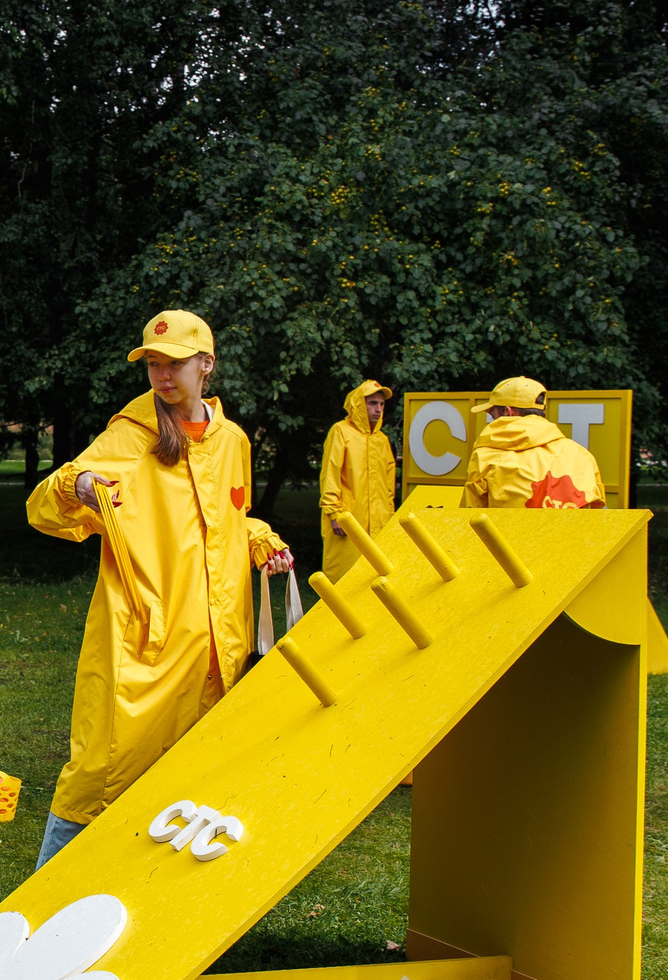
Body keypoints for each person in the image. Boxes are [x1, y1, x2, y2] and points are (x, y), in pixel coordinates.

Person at [25, 309, 295, 868]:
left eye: (174, 364)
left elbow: (228, 520)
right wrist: (75, 484)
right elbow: (42, 510)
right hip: (146, 643)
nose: (163, 375)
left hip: (218, 646)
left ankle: (159, 904)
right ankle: (39, 904)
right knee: (100, 774)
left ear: (206, 365)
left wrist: (263, 541)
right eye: (153, 364)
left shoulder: (232, 441)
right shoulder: (129, 437)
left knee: (198, 782)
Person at [459, 376, 607, 509]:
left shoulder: (486, 455)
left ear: (508, 412)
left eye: (493, 416)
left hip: (505, 538)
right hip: (570, 538)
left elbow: (472, 512)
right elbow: (596, 507)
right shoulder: (581, 454)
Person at [319, 380, 396, 583]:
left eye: (381, 404)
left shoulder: (382, 440)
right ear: (359, 404)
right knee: (344, 580)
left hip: (379, 525)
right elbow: (330, 474)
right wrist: (334, 514)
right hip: (348, 521)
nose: (378, 409)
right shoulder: (341, 431)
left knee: (375, 580)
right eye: (372, 403)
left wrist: (389, 517)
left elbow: (388, 488)